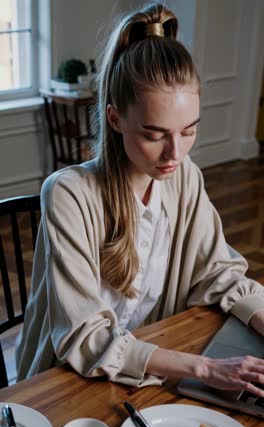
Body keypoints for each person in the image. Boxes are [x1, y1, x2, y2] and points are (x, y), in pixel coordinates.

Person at [16, 3, 264, 396]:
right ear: (115, 119)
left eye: (189, 131)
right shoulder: (68, 195)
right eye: (154, 135)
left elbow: (218, 271)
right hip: (66, 382)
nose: (175, 153)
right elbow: (86, 337)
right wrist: (205, 367)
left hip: (146, 371)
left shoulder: (184, 178)